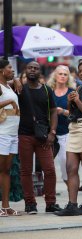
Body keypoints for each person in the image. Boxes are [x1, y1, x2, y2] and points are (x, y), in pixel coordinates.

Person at [55, 59, 82, 216]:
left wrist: (77, 101)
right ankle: (72, 205)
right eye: (80, 70)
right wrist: (69, 102)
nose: (81, 73)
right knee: (71, 168)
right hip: (73, 129)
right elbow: (72, 113)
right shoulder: (79, 88)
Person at [17, 61, 61, 214]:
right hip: (24, 135)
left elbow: (54, 111)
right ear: (25, 70)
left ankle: (50, 203)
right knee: (26, 171)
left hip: (44, 136)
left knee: (49, 170)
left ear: (40, 72)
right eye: (30, 67)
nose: (33, 70)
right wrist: (16, 80)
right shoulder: (19, 89)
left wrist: (52, 132)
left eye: (36, 68)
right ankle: (30, 204)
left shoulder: (47, 90)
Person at [46, 65, 75, 185]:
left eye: (65, 74)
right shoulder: (48, 91)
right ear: (55, 75)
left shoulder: (72, 92)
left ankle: (69, 188)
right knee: (46, 164)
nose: (62, 76)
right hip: (49, 133)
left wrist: (63, 111)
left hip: (66, 132)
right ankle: (47, 191)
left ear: (68, 77)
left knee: (65, 164)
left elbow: (75, 114)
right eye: (60, 74)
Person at [0, 59, 21, 216]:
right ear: (1, 70)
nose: (12, 71)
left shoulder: (8, 85)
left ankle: (5, 206)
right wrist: (10, 101)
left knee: (6, 170)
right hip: (2, 133)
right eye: (9, 68)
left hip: (13, 133)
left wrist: (16, 80)